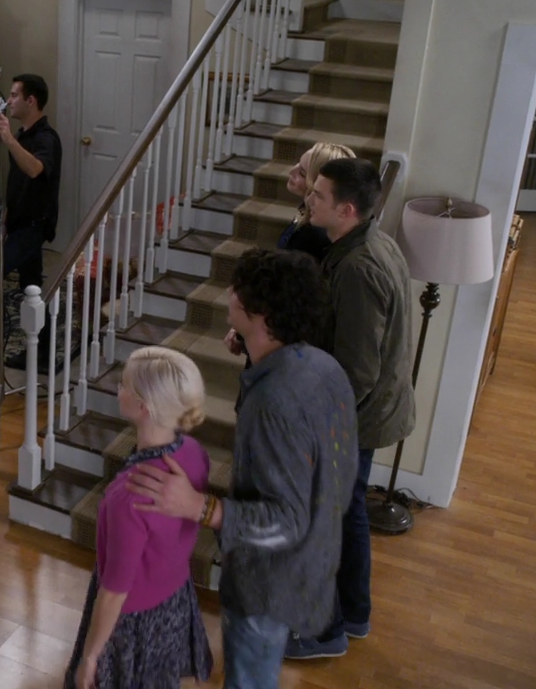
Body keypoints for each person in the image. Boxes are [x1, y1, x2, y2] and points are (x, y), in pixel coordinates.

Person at [127, 248, 359, 688]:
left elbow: (287, 520)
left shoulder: (274, 402)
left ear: (263, 314)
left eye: (240, 289)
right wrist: (252, 348)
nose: (230, 292)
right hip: (313, 559)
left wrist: (201, 507)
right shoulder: (323, 366)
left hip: (268, 581)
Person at [284, 157, 415, 659]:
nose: (309, 199)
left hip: (354, 417)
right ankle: (355, 615)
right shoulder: (370, 243)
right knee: (348, 513)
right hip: (370, 411)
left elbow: (358, 371)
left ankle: (326, 632)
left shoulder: (359, 267)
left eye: (318, 195)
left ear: (347, 210)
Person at [64, 346, 212, 689]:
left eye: (123, 385)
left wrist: (90, 657)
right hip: (175, 597)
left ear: (143, 406)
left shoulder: (129, 497)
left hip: (134, 619)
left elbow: (114, 592)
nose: (118, 389)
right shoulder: (194, 453)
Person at [223, 142, 356, 370]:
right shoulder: (306, 217)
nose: (292, 171)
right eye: (297, 164)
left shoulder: (314, 235)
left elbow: (285, 299)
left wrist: (246, 333)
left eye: (302, 172)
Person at [0, 74, 62, 370]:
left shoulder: (47, 139)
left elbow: (35, 169)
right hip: (19, 221)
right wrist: (7, 218)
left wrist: (8, 139)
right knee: (31, 284)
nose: (8, 100)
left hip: (35, 224)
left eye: (13, 95)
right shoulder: (23, 136)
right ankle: (44, 351)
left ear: (30, 100)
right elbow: (18, 181)